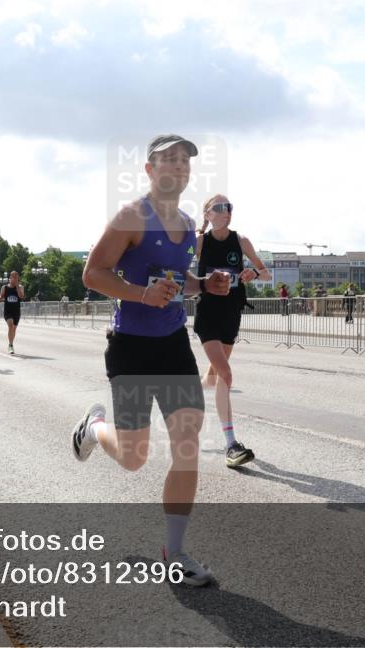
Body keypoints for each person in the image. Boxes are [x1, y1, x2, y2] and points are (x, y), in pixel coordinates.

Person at [71, 134, 231, 586]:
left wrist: (206, 285)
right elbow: (93, 274)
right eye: (169, 161)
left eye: (184, 162)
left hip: (173, 342)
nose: (178, 168)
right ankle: (93, 427)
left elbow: (180, 281)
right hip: (131, 345)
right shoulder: (131, 217)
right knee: (134, 458)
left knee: (187, 442)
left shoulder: (185, 224)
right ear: (149, 169)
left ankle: (175, 552)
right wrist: (141, 293)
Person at [194, 194, 271, 468]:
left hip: (231, 314)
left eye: (229, 207)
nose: (225, 211)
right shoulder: (200, 242)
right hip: (208, 315)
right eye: (219, 208)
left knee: (214, 377)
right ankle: (231, 445)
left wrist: (253, 273)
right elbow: (177, 267)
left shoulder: (241, 241)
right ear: (207, 214)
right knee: (226, 374)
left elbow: (267, 274)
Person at [0, 270, 24, 354]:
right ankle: (11, 345)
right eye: (13, 277)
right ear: (10, 278)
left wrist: (17, 287)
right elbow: (1, 296)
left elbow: (21, 296)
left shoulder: (20, 287)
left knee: (14, 329)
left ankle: (10, 343)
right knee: (10, 325)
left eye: (17, 277)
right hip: (8, 311)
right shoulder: (4, 287)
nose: (15, 279)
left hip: (16, 311)